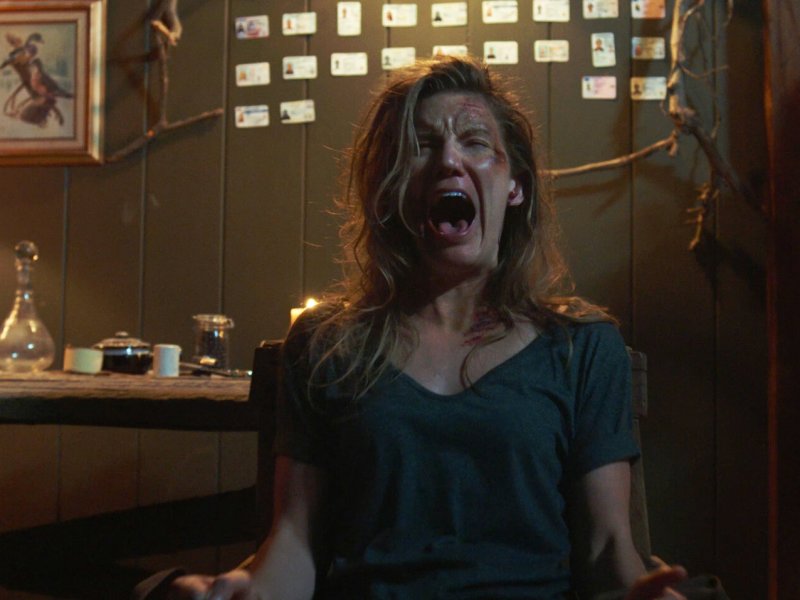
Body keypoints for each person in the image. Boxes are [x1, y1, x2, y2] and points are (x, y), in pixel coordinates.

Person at [166, 56, 691, 600]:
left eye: (475, 142)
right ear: (391, 190)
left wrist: (647, 594)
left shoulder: (581, 347)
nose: (448, 161)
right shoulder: (327, 343)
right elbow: (296, 540)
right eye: (420, 146)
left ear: (515, 186)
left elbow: (608, 548)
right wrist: (245, 592)